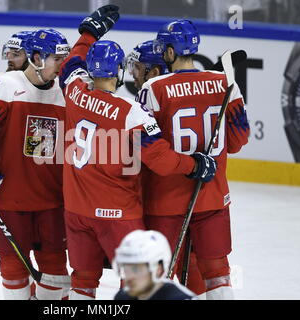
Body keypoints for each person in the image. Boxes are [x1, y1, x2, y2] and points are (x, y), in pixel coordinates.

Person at [59, 5, 217, 300]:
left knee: (82, 280)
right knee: (134, 279)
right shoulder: (131, 113)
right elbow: (159, 158)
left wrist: (88, 34)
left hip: (76, 211)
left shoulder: (75, 91)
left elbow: (70, 63)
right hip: (117, 213)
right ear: (118, 72)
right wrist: (194, 165)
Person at [141, 19, 250, 299]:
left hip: (165, 199)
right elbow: (237, 142)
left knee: (159, 276)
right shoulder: (225, 83)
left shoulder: (154, 88)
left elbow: (146, 149)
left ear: (168, 53)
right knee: (217, 272)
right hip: (213, 196)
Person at [0, 28, 70, 300]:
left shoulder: (68, 91)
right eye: (57, 59)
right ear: (36, 58)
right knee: (12, 268)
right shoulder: (2, 86)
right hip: (8, 198)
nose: (62, 65)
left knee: (56, 270)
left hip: (54, 200)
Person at [128, 40, 207, 296]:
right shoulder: (184, 97)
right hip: (198, 195)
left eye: (138, 68)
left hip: (161, 200)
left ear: (154, 72)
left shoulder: (146, 103)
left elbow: (153, 156)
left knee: (154, 269)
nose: (133, 74)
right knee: (192, 264)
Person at [113, 230, 196, 300]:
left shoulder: (180, 298)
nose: (129, 277)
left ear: (158, 269)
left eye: (136, 269)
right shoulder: (122, 296)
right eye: (126, 269)